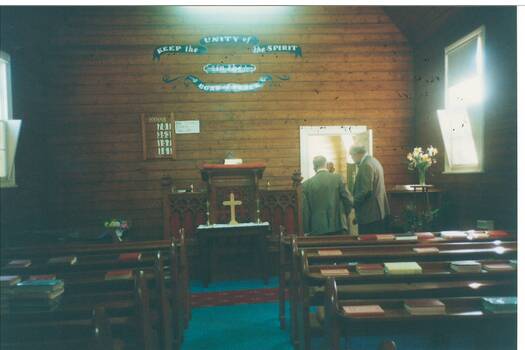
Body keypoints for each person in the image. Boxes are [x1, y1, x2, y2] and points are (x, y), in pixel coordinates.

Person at [302, 155, 353, 235]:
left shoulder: (306, 185)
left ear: (314, 167)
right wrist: (344, 214)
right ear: (326, 165)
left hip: (317, 228)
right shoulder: (338, 179)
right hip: (338, 225)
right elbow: (348, 200)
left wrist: (307, 229)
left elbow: (305, 210)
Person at [349, 145, 390, 234]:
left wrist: (352, 202)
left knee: (367, 244)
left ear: (357, 154)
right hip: (377, 212)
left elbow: (366, 190)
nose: (352, 158)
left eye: (351, 155)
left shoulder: (366, 165)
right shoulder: (374, 161)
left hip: (370, 214)